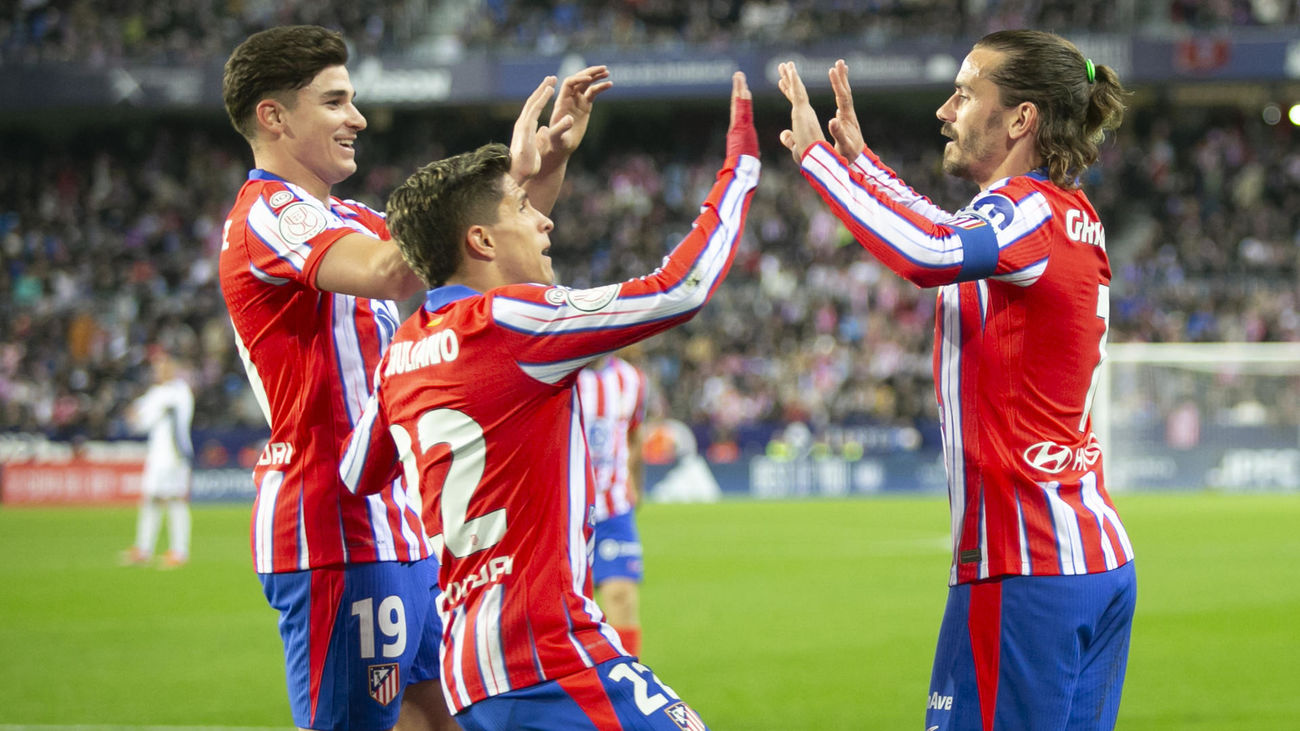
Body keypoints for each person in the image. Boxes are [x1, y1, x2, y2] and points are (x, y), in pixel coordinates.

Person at [339, 71, 759, 730]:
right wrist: (741, 167)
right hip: (547, 655)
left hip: (469, 669)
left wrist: (541, 167)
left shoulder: (403, 354)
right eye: (521, 208)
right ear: (480, 240)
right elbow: (683, 287)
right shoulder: (514, 321)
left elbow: (358, 471)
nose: (545, 218)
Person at [219, 24, 610, 731]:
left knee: (441, 719)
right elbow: (389, 270)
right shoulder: (269, 215)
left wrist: (537, 173)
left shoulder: (349, 216)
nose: (358, 118)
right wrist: (507, 174)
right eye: (335, 101)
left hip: (401, 524)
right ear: (273, 116)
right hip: (334, 528)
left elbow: (491, 251)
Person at [777, 30, 1137, 731]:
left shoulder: (1027, 211)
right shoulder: (1068, 214)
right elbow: (949, 231)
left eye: (967, 93)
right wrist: (863, 162)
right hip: (1090, 561)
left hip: (1024, 564)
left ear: (1021, 119)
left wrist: (820, 160)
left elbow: (930, 250)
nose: (946, 109)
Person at [577, 350, 648, 658]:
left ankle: (627, 687)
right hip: (562, 512)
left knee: (622, 597)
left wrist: (636, 483)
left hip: (614, 509)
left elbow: (633, 435)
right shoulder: (556, 374)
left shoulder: (632, 379)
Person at [121, 348, 194, 569]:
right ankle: (143, 548)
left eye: (164, 366)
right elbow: (138, 421)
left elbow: (152, 415)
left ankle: (179, 551)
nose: (160, 371)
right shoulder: (155, 393)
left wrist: (141, 414)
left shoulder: (179, 392)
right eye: (157, 368)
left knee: (175, 500)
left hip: (175, 455)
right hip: (157, 456)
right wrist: (135, 415)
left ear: (172, 368)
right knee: (150, 500)